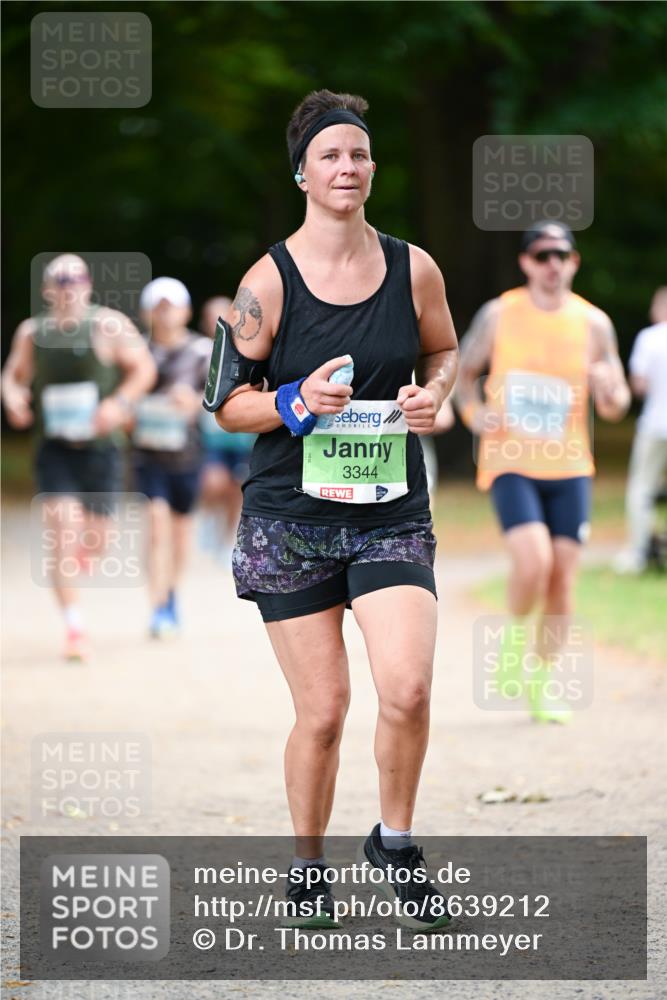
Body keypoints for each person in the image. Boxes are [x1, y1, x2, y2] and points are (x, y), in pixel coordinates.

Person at [206, 89, 458, 929]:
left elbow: (444, 349)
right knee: (322, 714)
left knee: (409, 688)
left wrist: (434, 396)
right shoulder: (262, 282)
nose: (345, 167)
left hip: (389, 511)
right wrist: (292, 399)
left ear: (372, 170)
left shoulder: (413, 265)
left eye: (357, 154)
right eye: (329, 156)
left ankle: (394, 841)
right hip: (291, 519)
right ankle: (307, 864)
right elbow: (224, 403)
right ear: (302, 173)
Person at [455, 221, 630, 723]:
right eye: (542, 255)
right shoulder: (500, 313)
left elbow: (616, 406)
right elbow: (464, 375)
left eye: (562, 255)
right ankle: (512, 643)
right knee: (533, 561)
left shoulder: (593, 323)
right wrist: (474, 415)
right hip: (510, 459)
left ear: (573, 262)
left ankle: (543, 680)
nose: (553, 264)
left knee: (563, 580)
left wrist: (607, 384)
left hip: (571, 465)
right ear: (526, 263)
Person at [1, 253, 156, 661]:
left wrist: (119, 404)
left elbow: (144, 369)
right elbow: (12, 376)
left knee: (97, 541)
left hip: (101, 450)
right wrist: (13, 396)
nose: (68, 286)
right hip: (55, 450)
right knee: (63, 529)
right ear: (47, 289)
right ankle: (74, 627)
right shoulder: (33, 332)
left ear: (88, 285)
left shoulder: (108, 325)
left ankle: (83, 554)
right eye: (60, 279)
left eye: (75, 278)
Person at [132, 277, 211, 637]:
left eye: (172, 306)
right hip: (146, 454)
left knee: (181, 534)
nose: (165, 314)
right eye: (158, 307)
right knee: (156, 523)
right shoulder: (136, 351)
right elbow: (121, 391)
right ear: (147, 312)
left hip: (188, 454)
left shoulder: (204, 351)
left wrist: (192, 402)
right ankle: (155, 604)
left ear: (186, 310)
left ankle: (171, 596)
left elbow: (221, 399)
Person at [197, 296, 256, 560]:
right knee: (213, 483)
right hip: (213, 437)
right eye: (211, 317)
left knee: (236, 488)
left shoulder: (249, 349)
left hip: (243, 438)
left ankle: (228, 537)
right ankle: (209, 519)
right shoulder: (200, 352)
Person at [613, 287, 667, 573]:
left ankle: (639, 551)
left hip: (656, 424)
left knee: (641, 488)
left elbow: (639, 385)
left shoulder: (649, 338)